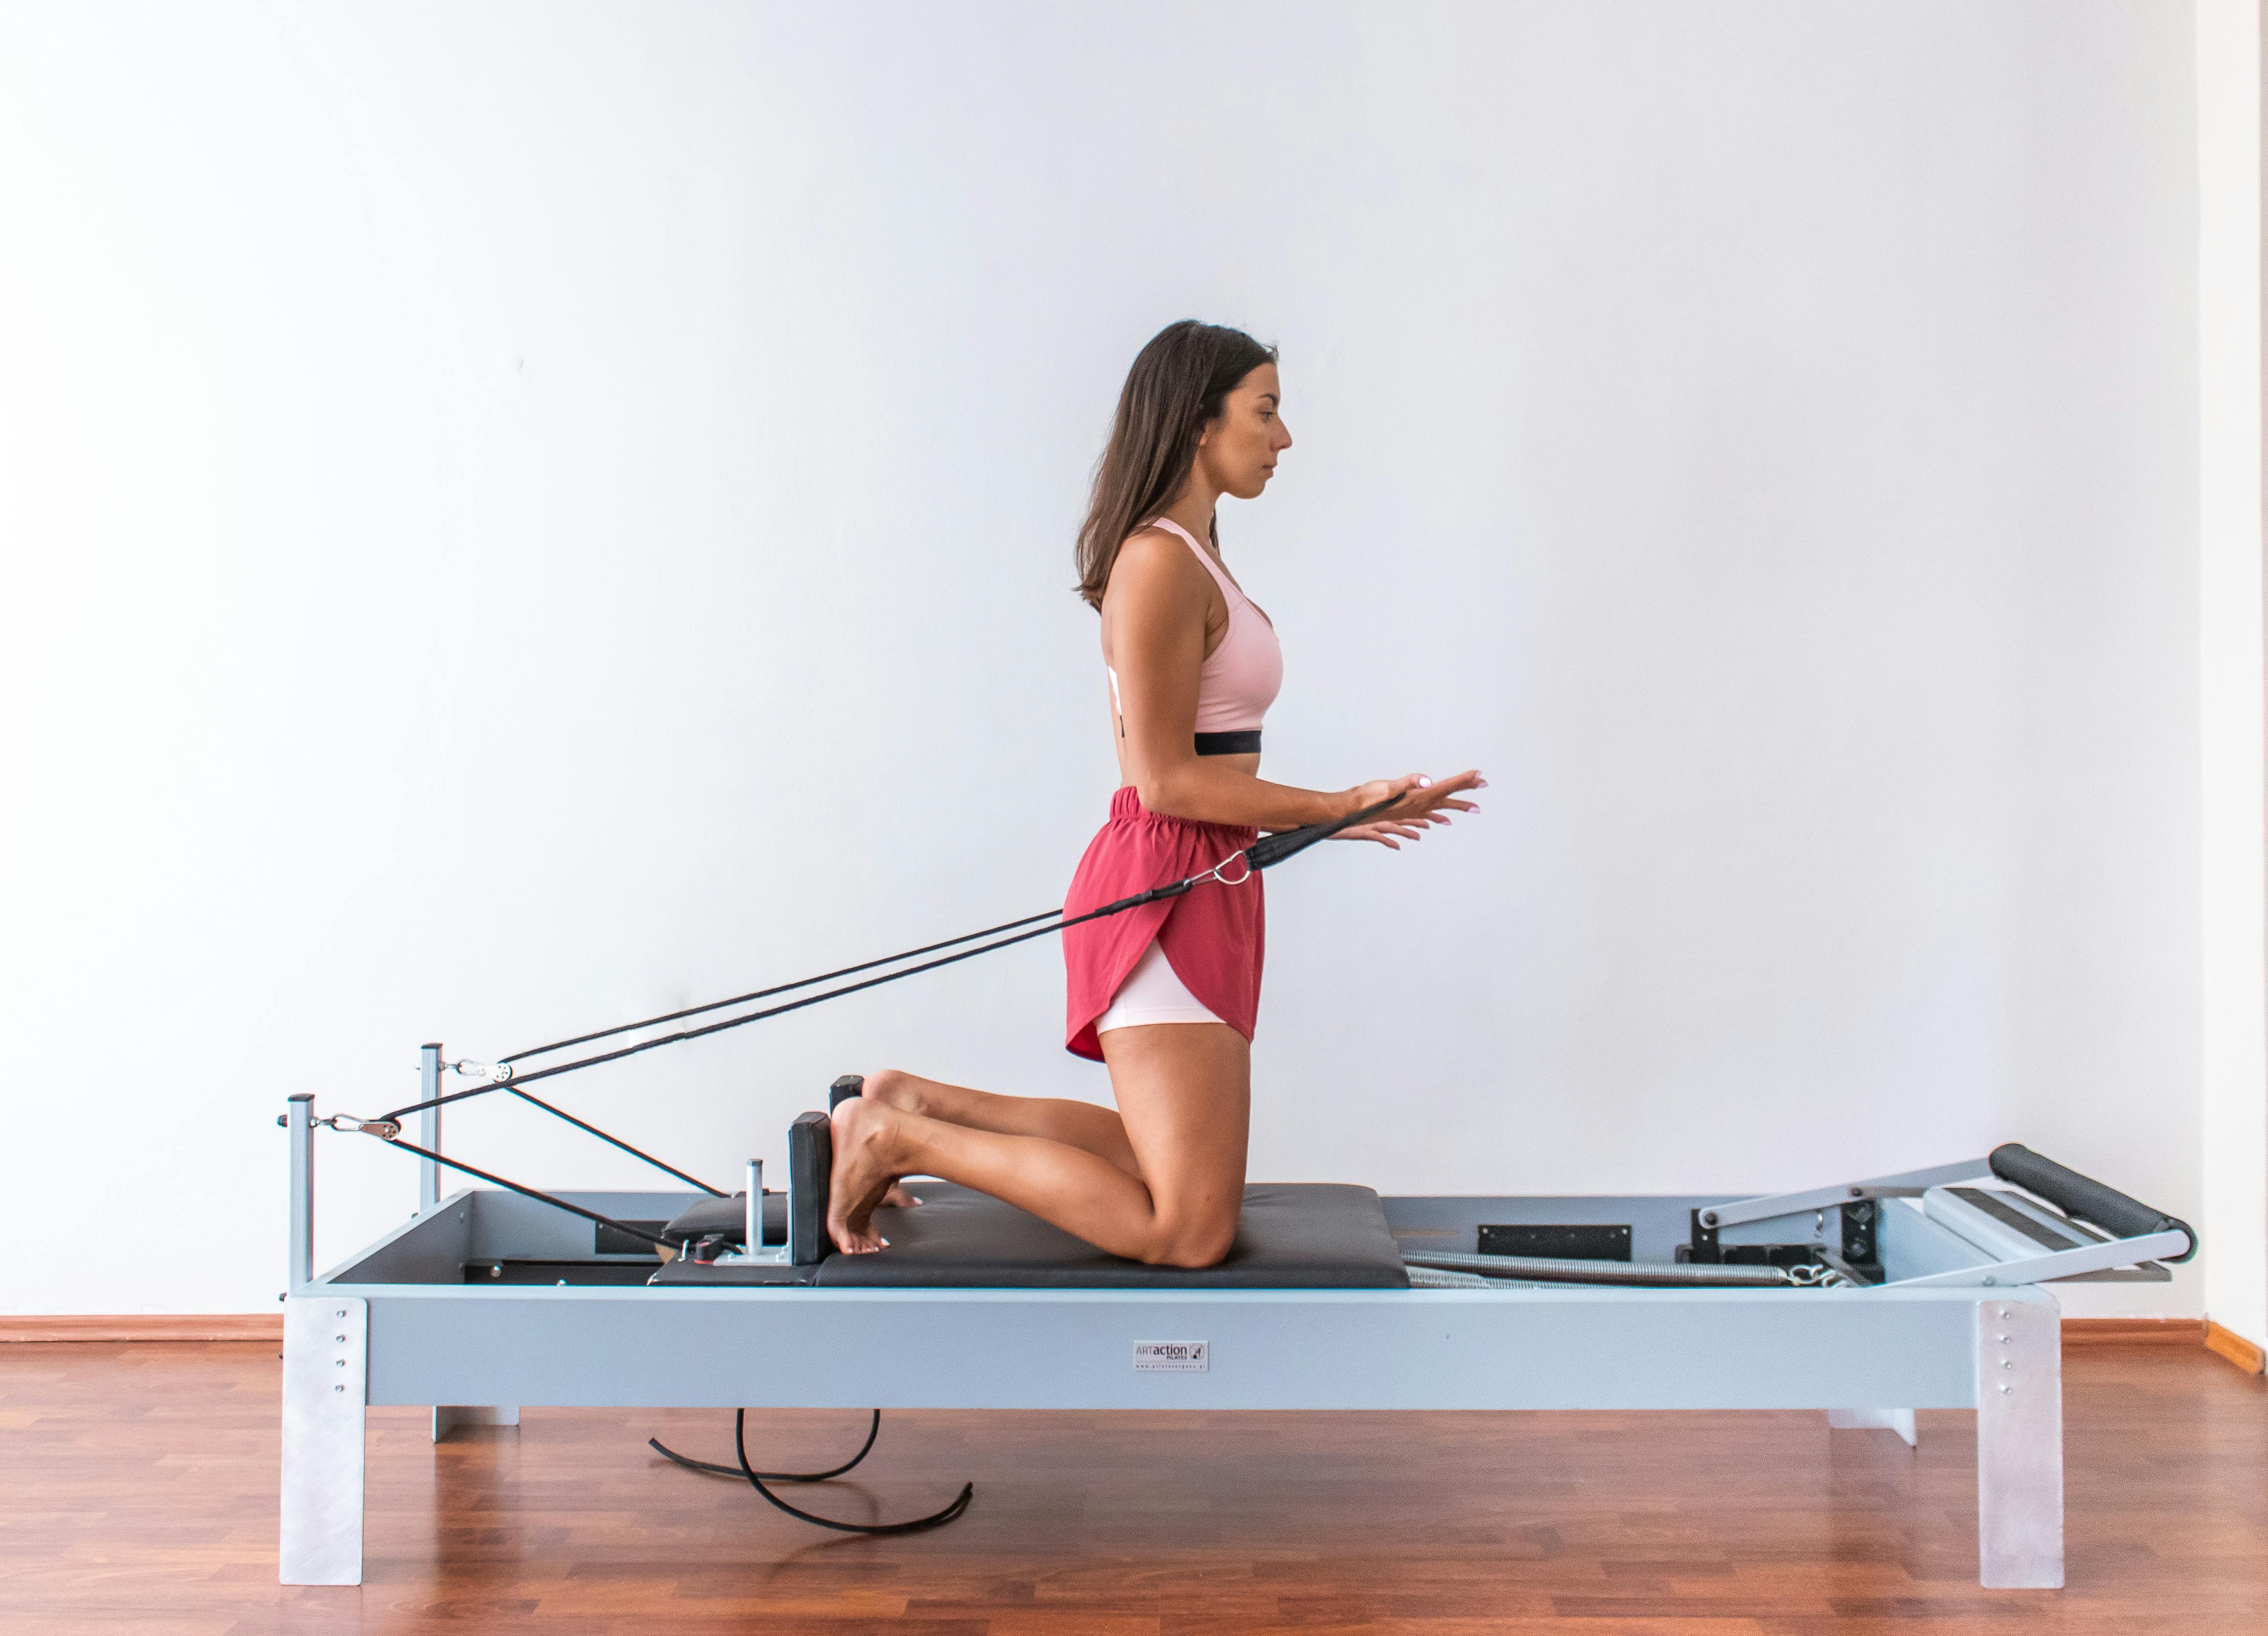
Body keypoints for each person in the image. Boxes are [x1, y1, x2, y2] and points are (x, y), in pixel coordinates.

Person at [828, 320, 1483, 1264]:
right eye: (1265, 412)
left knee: (1159, 1167)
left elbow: (1208, 761)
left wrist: (1345, 818)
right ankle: (899, 1137)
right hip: (1165, 886)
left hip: (1206, 873)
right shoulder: (1158, 560)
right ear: (1196, 421)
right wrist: (1337, 803)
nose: (1283, 438)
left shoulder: (1193, 551)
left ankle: (912, 1103)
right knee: (1184, 1227)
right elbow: (1165, 781)